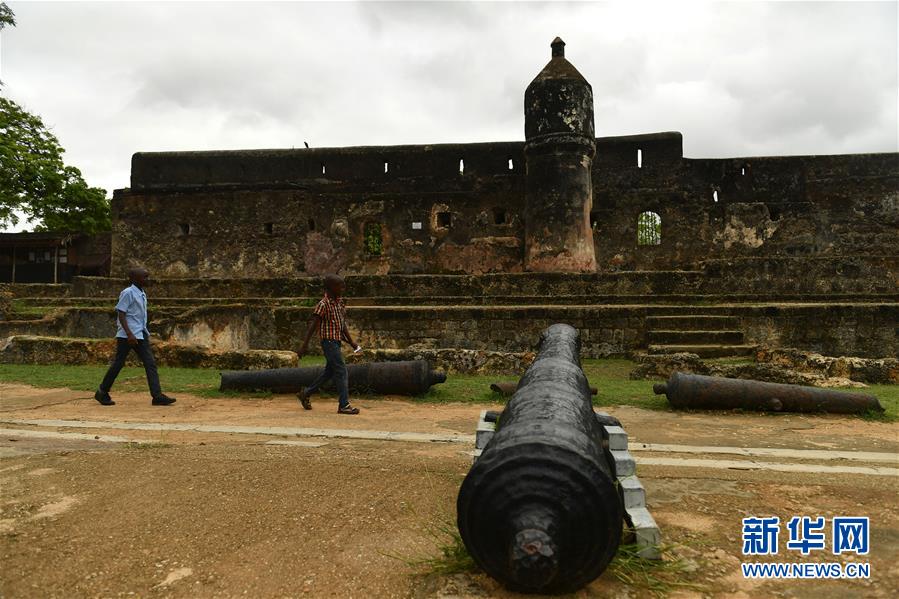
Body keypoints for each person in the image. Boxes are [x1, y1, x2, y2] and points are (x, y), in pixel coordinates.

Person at [94, 268, 176, 406]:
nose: (147, 280)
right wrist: (129, 334)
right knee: (118, 364)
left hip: (140, 333)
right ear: (134, 279)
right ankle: (102, 391)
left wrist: (141, 332)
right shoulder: (128, 293)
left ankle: (157, 396)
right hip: (128, 335)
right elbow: (121, 313)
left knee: (150, 363)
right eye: (144, 277)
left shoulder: (142, 293)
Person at [296, 274, 361, 415]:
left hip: (336, 342)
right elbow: (313, 325)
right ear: (331, 287)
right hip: (328, 342)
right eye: (340, 286)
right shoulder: (323, 304)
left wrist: (351, 342)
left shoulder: (339, 303)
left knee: (329, 372)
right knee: (342, 371)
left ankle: (306, 393)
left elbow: (342, 325)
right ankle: (344, 404)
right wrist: (304, 345)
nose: (342, 288)